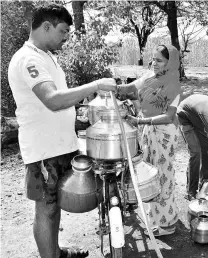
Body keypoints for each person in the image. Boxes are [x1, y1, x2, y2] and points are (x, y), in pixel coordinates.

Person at [7, 4, 117, 258]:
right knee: (46, 208)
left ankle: (55, 252)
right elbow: (53, 100)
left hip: (59, 145)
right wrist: (95, 84)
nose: (66, 37)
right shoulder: (28, 59)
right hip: (44, 150)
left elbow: (61, 101)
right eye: (63, 31)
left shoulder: (47, 57)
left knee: (54, 206)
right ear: (46, 27)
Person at [118, 44, 181, 237]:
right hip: (148, 130)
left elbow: (169, 116)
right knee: (151, 174)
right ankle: (158, 219)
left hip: (163, 133)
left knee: (163, 175)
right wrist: (109, 87)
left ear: (170, 63)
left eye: (159, 60)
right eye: (153, 59)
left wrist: (139, 121)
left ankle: (167, 223)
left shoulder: (174, 85)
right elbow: (130, 87)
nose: (154, 63)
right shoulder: (149, 77)